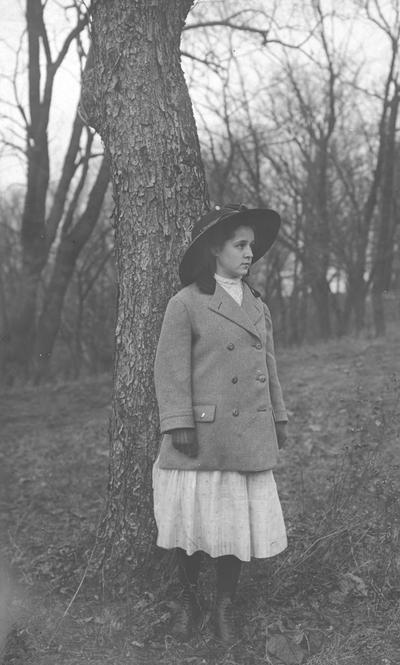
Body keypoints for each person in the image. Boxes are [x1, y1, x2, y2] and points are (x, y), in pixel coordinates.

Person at [153, 203, 288, 645]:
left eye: (252, 246)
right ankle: (190, 604)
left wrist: (279, 417)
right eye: (240, 245)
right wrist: (178, 422)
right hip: (201, 435)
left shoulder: (257, 305)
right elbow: (168, 369)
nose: (250, 254)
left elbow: (269, 368)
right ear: (215, 248)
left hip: (247, 434)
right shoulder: (187, 301)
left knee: (237, 525)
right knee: (188, 523)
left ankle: (223, 607)